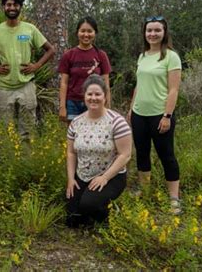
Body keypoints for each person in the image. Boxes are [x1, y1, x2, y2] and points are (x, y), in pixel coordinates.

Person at [127, 15, 182, 215]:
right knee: (142, 153)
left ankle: (174, 198)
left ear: (164, 32)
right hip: (140, 114)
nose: (153, 34)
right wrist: (131, 109)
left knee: (166, 155)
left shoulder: (171, 57)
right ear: (144, 33)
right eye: (149, 30)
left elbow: (174, 90)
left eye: (157, 30)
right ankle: (145, 190)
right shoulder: (142, 56)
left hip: (160, 115)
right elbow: (139, 85)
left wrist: (167, 115)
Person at [0, 0, 55, 139]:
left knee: (28, 131)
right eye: (8, 4)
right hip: (4, 88)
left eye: (16, 4)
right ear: (3, 7)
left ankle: (26, 161)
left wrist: (36, 66)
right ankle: (8, 161)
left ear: (20, 7)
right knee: (5, 131)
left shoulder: (30, 29)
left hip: (26, 86)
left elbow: (50, 50)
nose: (12, 7)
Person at [66, 74, 132, 227]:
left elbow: (125, 154)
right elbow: (71, 152)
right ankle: (90, 212)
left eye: (97, 94)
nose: (93, 98)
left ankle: (111, 216)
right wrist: (71, 178)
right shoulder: (76, 122)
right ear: (84, 96)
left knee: (88, 205)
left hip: (111, 176)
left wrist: (105, 178)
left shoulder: (116, 121)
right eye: (90, 94)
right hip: (83, 175)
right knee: (72, 219)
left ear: (105, 96)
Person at [58, 16, 112, 123]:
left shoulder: (101, 55)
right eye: (82, 31)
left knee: (95, 135)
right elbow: (64, 83)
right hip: (73, 103)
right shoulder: (69, 55)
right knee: (75, 136)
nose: (86, 35)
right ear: (77, 32)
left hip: (95, 102)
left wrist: (107, 104)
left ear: (95, 33)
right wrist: (62, 107)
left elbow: (106, 83)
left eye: (89, 31)